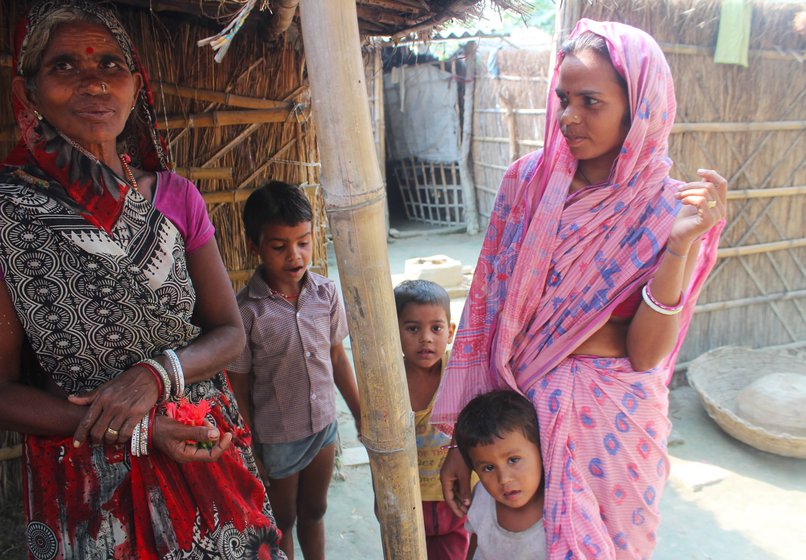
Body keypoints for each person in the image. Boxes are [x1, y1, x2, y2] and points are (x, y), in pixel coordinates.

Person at [433, 19, 728, 560]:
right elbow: (485, 318)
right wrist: (462, 442)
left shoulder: (669, 210)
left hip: (615, 424)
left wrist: (680, 247)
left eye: (590, 101)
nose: (568, 117)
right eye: (564, 98)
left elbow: (644, 351)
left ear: (639, 108)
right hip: (523, 420)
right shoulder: (527, 185)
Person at [0, 1, 285, 558]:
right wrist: (135, 430)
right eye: (64, 66)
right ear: (29, 91)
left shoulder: (176, 196)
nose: (93, 81)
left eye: (111, 65)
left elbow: (229, 332)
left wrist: (156, 376)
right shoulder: (7, 214)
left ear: (136, 85)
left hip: (205, 444)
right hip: (85, 478)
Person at [228, 180, 362, 560]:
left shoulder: (326, 294)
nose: (295, 255)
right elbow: (239, 383)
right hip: (277, 436)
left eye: (303, 242)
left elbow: (336, 356)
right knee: (282, 517)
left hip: (324, 425)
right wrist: (249, 441)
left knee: (315, 511)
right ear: (254, 247)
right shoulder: (247, 311)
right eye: (279, 246)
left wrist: (357, 411)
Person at [393, 279, 468, 558]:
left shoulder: (457, 371)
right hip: (406, 502)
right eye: (413, 329)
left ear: (450, 332)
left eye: (436, 328)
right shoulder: (388, 380)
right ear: (394, 332)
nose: (426, 338)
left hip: (454, 498)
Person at [454, 390, 546, 560]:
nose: (504, 479)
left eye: (513, 460)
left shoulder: (561, 509)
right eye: (488, 468)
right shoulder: (482, 497)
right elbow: (476, 546)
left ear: (541, 451)